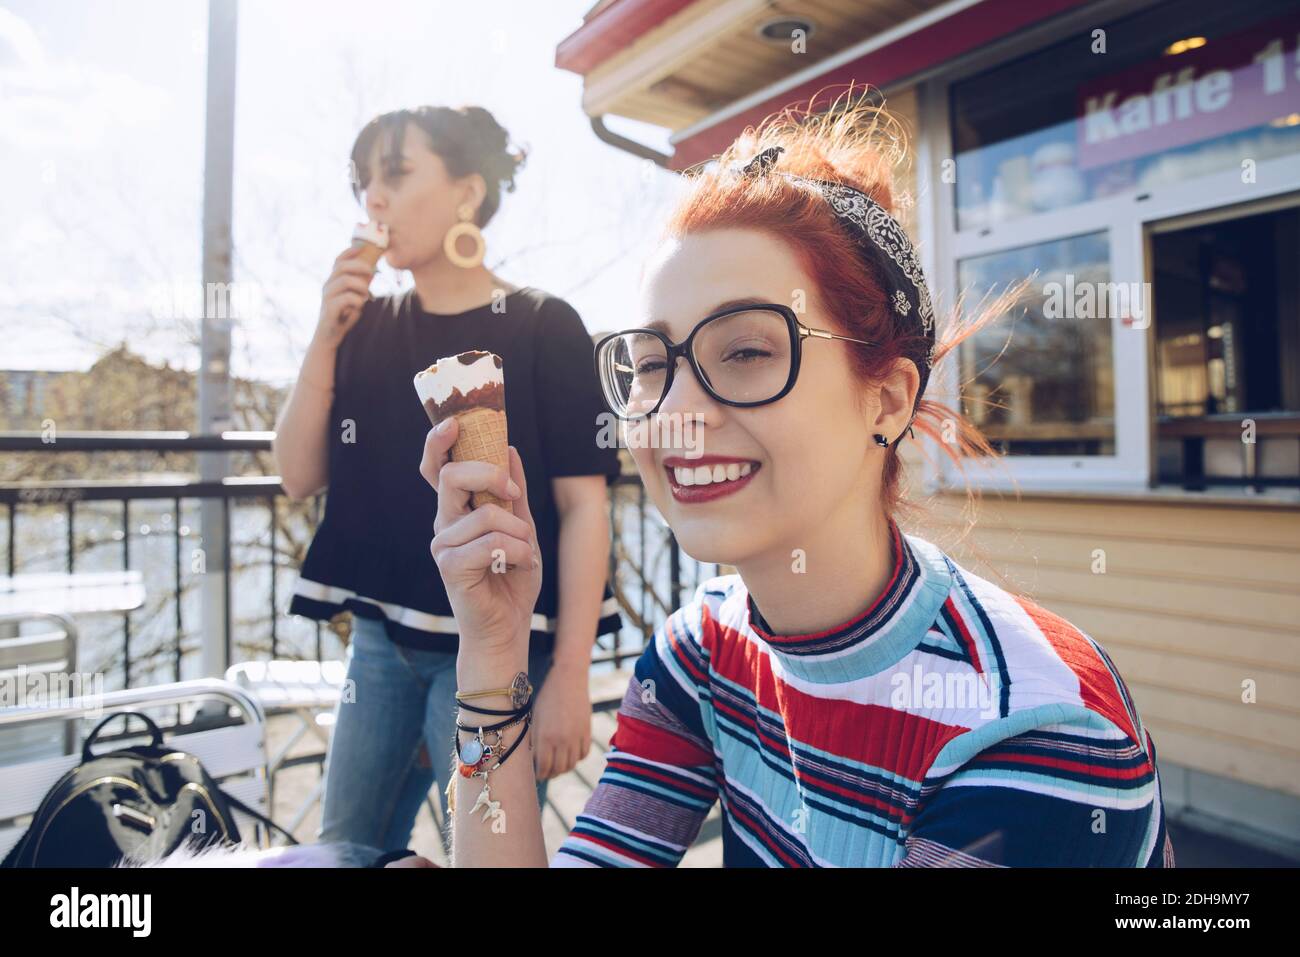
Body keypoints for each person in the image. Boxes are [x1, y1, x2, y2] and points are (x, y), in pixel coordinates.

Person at [418, 92, 1176, 867]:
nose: (673, 412)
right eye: (649, 365)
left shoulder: (1032, 726)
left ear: (885, 400)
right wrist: (494, 649)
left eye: (745, 351)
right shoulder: (703, 652)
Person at [272, 105, 622, 853]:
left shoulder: (542, 322)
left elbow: (584, 507)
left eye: (396, 174)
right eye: (365, 180)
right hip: (380, 644)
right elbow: (297, 474)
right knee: (340, 848)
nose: (374, 198)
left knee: (487, 852)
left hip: (504, 648)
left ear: (467, 191)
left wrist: (570, 676)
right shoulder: (365, 326)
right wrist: (323, 336)